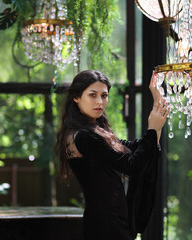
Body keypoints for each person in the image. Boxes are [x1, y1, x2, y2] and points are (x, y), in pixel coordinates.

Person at [55, 70, 169, 240]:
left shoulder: (93, 133)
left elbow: (136, 148)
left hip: (111, 219)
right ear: (76, 97)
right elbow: (133, 166)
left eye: (104, 95)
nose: (100, 102)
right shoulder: (83, 137)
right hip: (105, 223)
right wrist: (153, 129)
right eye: (92, 95)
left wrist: (157, 104)